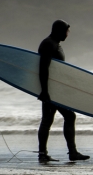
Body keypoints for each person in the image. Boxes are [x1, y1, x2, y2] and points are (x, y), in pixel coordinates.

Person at [37, 20, 89, 162]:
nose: (67, 34)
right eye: (66, 31)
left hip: (56, 90)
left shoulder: (55, 44)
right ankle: (46, 154)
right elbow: (43, 68)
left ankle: (63, 153)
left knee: (58, 118)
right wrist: (45, 91)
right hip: (50, 90)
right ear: (59, 30)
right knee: (52, 119)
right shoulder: (48, 44)